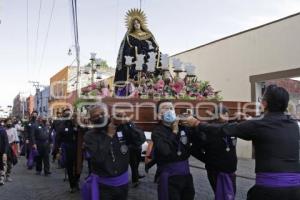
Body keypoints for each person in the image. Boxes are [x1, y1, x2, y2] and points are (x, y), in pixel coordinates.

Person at [183, 84, 300, 200]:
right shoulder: (293, 124)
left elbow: (223, 129)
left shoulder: (258, 124)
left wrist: (197, 123)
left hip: (269, 189)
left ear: (264, 103)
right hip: (295, 188)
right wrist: (247, 120)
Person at [82, 105, 145, 200]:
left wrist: (128, 122)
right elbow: (99, 158)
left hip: (122, 185)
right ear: (91, 120)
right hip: (103, 186)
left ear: (108, 114)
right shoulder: (90, 136)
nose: (100, 117)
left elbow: (140, 140)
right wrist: (109, 135)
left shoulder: (121, 128)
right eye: (95, 116)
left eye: (102, 114)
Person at [151, 100, 195, 200]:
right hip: (169, 177)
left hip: (186, 175)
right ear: (158, 115)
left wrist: (194, 126)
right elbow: (165, 151)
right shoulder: (157, 132)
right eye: (165, 108)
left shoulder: (183, 127)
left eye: (171, 108)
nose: (170, 110)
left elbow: (200, 140)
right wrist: (174, 132)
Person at [191, 105, 237, 200]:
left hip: (231, 171)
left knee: (230, 196)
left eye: (227, 114)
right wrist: (208, 160)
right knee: (221, 196)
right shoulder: (207, 131)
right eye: (224, 114)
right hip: (216, 171)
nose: (226, 117)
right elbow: (194, 150)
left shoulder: (231, 128)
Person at [114, 8, 160, 96]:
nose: (136, 25)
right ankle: (133, 88)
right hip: (136, 61)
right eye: (134, 23)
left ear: (141, 23)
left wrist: (148, 47)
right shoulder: (130, 36)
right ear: (132, 25)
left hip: (149, 58)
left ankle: (152, 82)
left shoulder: (148, 34)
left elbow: (155, 46)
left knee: (159, 58)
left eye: (138, 23)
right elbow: (126, 49)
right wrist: (137, 49)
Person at [53, 108, 80, 193]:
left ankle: (76, 181)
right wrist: (56, 151)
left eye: (69, 113)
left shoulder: (76, 124)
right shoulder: (61, 125)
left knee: (78, 166)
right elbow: (58, 139)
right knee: (69, 167)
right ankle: (72, 185)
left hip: (78, 148)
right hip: (68, 148)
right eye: (66, 113)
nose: (68, 115)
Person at [0, 120, 9, 186]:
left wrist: (5, 153)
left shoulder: (2, 131)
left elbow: (6, 143)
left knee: (2, 166)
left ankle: (2, 179)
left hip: (2, 152)